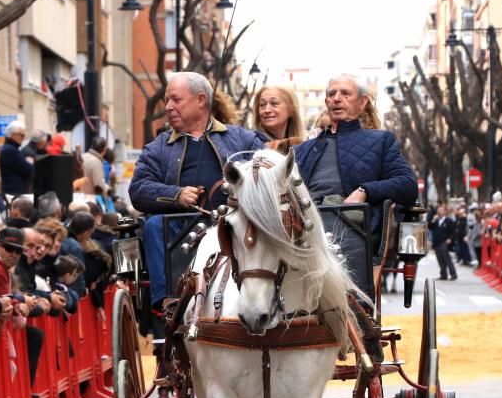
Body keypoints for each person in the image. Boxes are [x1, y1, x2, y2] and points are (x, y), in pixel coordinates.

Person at [128, 71, 264, 313]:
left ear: (201, 100)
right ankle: (167, 303)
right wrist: (176, 195)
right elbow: (137, 189)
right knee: (154, 225)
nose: (168, 107)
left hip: (236, 224)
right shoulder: (158, 147)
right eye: (166, 100)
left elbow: (267, 171)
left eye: (175, 100)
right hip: (180, 229)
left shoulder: (243, 139)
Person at [294, 74, 418, 235]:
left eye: (345, 93)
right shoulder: (302, 150)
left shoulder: (381, 142)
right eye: (331, 94)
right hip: (305, 228)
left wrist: (364, 191)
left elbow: (408, 185)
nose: (337, 99)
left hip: (352, 231)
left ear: (362, 102)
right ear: (326, 102)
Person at [0, 121, 34, 196]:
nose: (23, 137)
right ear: (12, 135)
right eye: (21, 135)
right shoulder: (10, 150)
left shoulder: (12, 149)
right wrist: (30, 163)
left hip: (15, 192)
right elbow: (29, 169)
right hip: (14, 193)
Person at [430, 203, 458, 281]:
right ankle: (443, 274)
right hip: (436, 242)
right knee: (440, 259)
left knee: (446, 258)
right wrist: (433, 219)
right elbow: (429, 226)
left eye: (441, 211)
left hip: (444, 241)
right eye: (438, 211)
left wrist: (450, 239)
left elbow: (454, 231)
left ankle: (453, 274)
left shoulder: (449, 221)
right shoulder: (436, 221)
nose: (439, 212)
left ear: (445, 212)